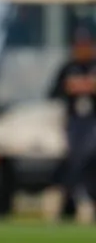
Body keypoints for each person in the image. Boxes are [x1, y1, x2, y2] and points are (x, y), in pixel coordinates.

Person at [49, 32, 96, 220]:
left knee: (89, 155)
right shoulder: (68, 68)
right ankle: (71, 199)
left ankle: (85, 195)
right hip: (74, 121)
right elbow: (53, 93)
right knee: (74, 157)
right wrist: (72, 87)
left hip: (93, 119)